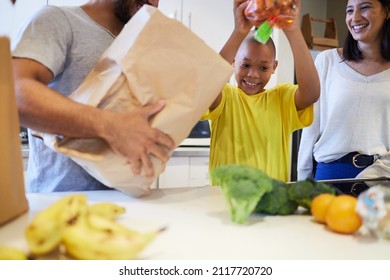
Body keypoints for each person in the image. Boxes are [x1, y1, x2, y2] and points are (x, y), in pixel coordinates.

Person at [12, 0, 175, 192]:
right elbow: (14, 93)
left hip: (128, 204)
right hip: (60, 205)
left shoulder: (141, 44)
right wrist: (111, 126)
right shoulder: (59, 20)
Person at [204, 0, 320, 184]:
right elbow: (205, 89)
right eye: (245, 65)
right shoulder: (226, 97)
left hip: (270, 200)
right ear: (233, 62)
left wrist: (293, 30)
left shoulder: (281, 99)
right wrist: (239, 32)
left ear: (274, 67)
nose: (253, 74)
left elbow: (312, 93)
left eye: (263, 68)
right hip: (224, 200)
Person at [297, 0, 390, 194]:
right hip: (328, 178)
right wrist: (302, 183)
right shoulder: (327, 61)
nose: (355, 17)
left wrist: (372, 177)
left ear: (387, 11)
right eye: (349, 10)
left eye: (365, 7)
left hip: (381, 183)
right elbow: (310, 129)